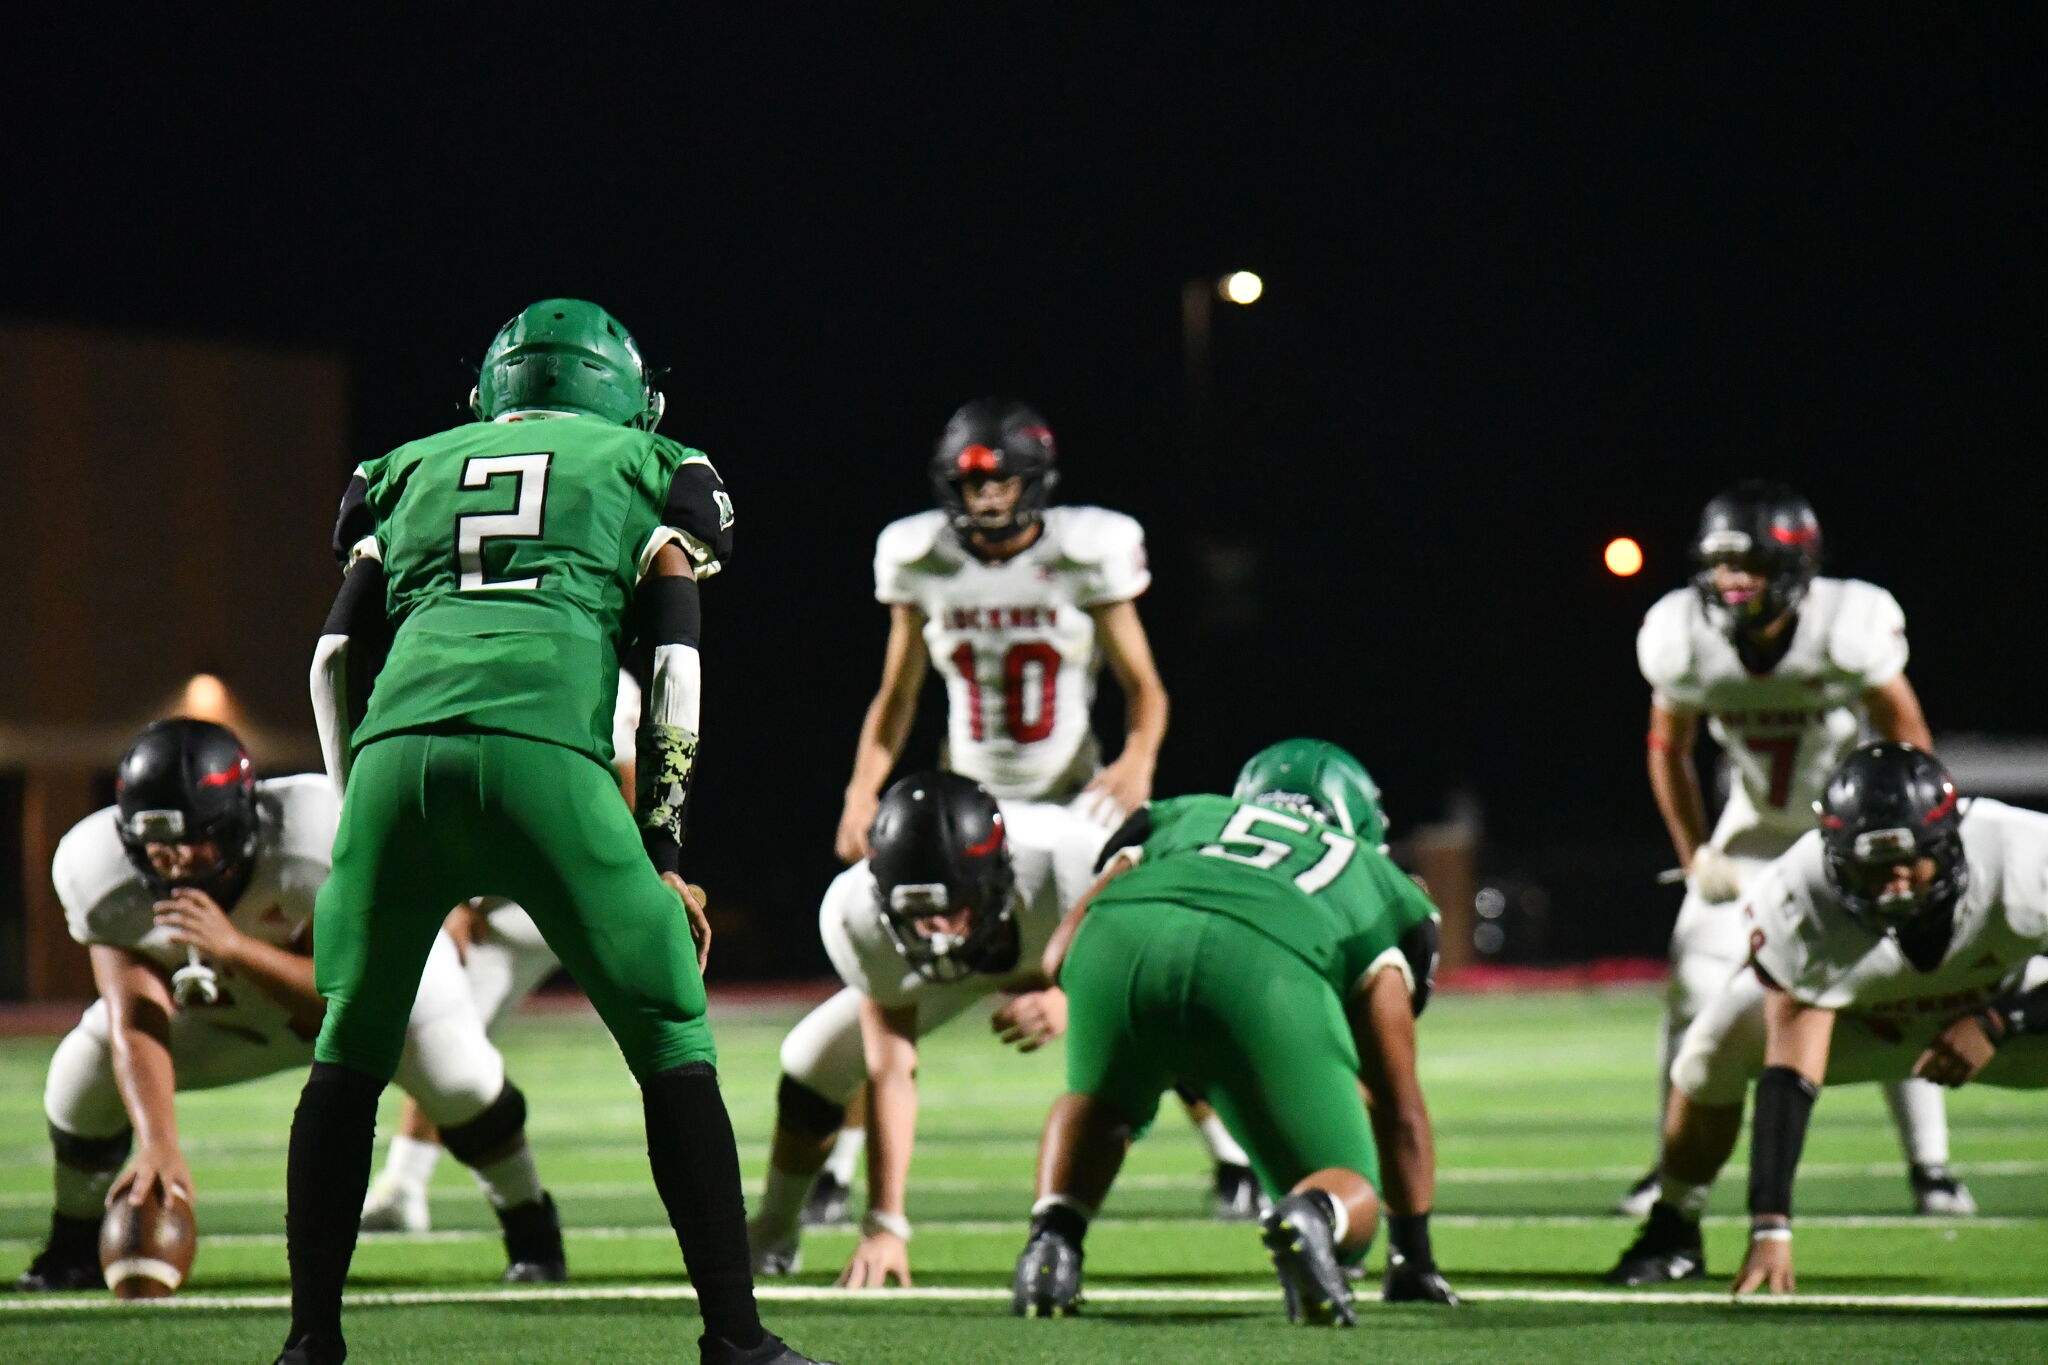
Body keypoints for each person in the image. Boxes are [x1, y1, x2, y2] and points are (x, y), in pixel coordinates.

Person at [276, 300, 827, 1365]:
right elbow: (674, 663)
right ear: (618, 391)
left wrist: (359, 817)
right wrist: (664, 849)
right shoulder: (651, 463)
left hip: (395, 761)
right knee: (670, 1032)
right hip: (546, 757)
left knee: (348, 1053)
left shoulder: (406, 466)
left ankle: (311, 1343)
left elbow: (333, 657)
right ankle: (735, 1336)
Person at [822, 399, 1254, 1217]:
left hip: (1073, 800)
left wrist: (1137, 760)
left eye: (1001, 482)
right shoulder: (920, 558)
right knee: (880, 965)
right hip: (969, 808)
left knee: (1141, 969)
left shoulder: (1084, 553)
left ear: (1036, 482)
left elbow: (1146, 688)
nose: (985, 500)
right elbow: (897, 693)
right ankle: (842, 1167)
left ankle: (1231, 1157)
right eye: (971, 483)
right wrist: (860, 789)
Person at [12, 719, 564, 1292]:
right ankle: (72, 1246)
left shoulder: (314, 835)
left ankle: (532, 1230)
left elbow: (350, 998)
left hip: (378, 1000)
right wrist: (160, 1143)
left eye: (196, 836)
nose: (177, 860)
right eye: (159, 843)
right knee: (83, 1068)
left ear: (239, 821)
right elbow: (135, 1016)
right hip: (230, 1020)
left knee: (464, 1079)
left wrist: (236, 949)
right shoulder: (96, 871)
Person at [1011, 739, 1458, 1325]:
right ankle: (1313, 1218)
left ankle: (1052, 1245)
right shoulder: (1379, 882)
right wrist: (1414, 1256)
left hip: (1119, 940)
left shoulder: (1187, 812)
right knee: (1349, 1192)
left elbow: (1058, 953)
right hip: (1268, 972)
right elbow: (1397, 1105)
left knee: (1100, 1103)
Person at [1619, 480, 1968, 1217]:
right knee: (1690, 982)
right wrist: (1694, 856)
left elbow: (1909, 736)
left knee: (1895, 982)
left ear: (1792, 567)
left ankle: (1931, 1166)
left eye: (1745, 564)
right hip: (1751, 830)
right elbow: (1667, 749)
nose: (1729, 582)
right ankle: (1669, 1164)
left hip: (1849, 829)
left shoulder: (1846, 626)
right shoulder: (1684, 638)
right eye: (1718, 565)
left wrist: (1913, 836)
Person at [1607, 743, 2048, 1291]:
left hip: (2005, 1020)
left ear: (1948, 842)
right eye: (1872, 867)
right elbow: (1791, 1070)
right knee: (1712, 1046)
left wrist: (2001, 1022)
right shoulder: (1799, 890)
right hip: (1867, 1026)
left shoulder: (2026, 852)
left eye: (1909, 860)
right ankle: (1673, 1226)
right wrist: (1772, 1228)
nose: (1893, 882)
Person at [747, 771, 1094, 1286]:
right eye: (918, 914)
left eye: (952, 910)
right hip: (967, 970)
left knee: (1175, 1028)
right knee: (811, 1059)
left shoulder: (1071, 861)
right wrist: (885, 1225)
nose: (937, 935)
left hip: (1072, 958)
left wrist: (1074, 997)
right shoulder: (856, 911)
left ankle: (1242, 1170)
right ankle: (773, 1229)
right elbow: (890, 1069)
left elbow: (1142, 957)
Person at [360, 672, 642, 1233]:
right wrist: (455, 898)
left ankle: (711, 1184)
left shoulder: (594, 672)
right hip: (501, 909)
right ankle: (405, 1185)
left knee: (666, 1040)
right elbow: (443, 792)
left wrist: (621, 882)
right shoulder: (477, 674)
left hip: (579, 892)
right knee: (444, 1035)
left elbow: (629, 781)